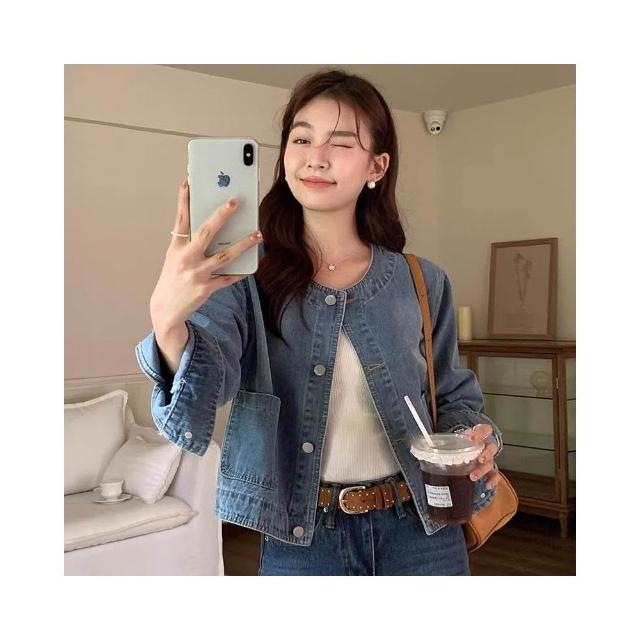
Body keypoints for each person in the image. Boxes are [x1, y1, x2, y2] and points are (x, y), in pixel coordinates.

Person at [135, 69, 504, 576]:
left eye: (342, 143)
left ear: (377, 166)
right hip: (302, 538)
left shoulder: (421, 281)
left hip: (421, 530)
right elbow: (204, 392)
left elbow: (454, 396)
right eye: (302, 138)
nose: (316, 157)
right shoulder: (244, 277)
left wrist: (473, 441)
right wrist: (167, 320)